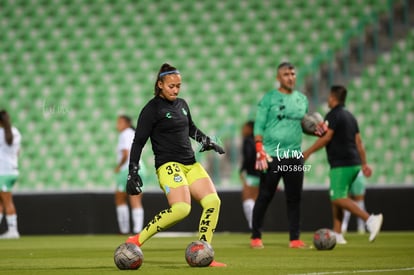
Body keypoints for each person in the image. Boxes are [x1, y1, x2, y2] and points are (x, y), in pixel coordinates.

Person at [125, 63, 226, 267]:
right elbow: (138, 141)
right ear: (160, 84)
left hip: (190, 164)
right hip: (169, 165)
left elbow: (191, 129)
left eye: (178, 85)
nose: (176, 89)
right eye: (171, 86)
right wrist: (132, 171)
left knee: (213, 202)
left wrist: (206, 140)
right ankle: (136, 240)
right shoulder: (151, 109)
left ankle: (202, 250)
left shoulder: (182, 104)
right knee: (181, 209)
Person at [303, 85, 383, 244]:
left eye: (329, 96)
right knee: (338, 196)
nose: (327, 99)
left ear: (333, 98)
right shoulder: (350, 117)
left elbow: (326, 138)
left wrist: (308, 152)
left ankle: (370, 219)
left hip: (341, 164)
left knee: (337, 197)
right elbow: (359, 143)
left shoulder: (332, 115)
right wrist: (364, 164)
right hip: (354, 164)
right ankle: (338, 233)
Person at [251, 62, 317, 249]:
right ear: (278, 78)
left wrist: (317, 131)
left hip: (294, 155)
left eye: (293, 73)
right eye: (286, 74)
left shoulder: (302, 100)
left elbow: (305, 127)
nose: (290, 77)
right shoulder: (269, 98)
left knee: (294, 197)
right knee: (265, 195)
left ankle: (294, 238)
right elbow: (259, 125)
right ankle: (256, 236)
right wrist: (259, 148)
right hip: (272, 155)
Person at [114, 115, 145, 234]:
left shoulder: (125, 134)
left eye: (119, 122)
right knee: (136, 199)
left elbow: (126, 153)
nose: (117, 125)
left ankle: (124, 230)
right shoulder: (133, 133)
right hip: (140, 167)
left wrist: (118, 166)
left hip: (127, 168)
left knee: (120, 198)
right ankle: (138, 230)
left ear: (126, 123)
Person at [0, 110, 21, 239]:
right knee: (1, 202)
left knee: (7, 201)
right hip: (12, 170)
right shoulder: (16, 132)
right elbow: (18, 152)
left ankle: (13, 231)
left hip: (3, 172)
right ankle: (12, 230)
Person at [239, 121, 260, 229]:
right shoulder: (259, 141)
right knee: (255, 200)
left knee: (247, 199)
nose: (242, 130)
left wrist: (242, 170)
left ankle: (253, 224)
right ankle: (256, 223)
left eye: (244, 128)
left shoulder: (247, 141)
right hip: (260, 174)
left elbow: (248, 157)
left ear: (250, 129)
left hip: (251, 174)